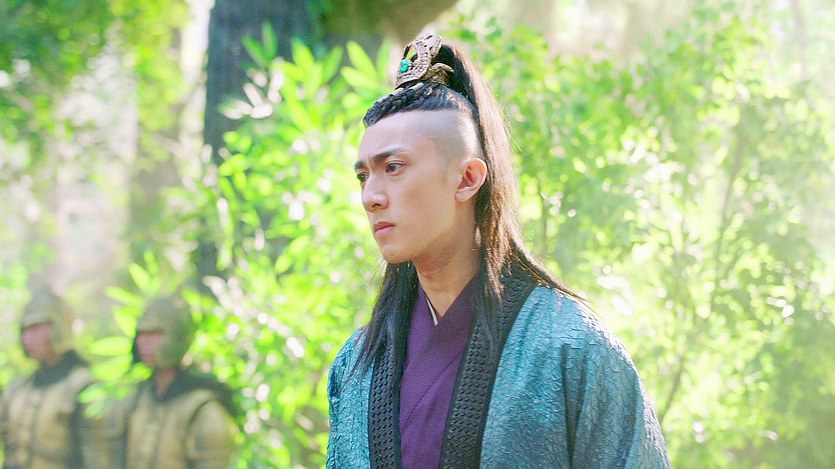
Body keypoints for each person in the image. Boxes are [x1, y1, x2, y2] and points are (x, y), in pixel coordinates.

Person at [326, 33, 671, 468]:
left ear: (468, 178)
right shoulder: (355, 366)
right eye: (364, 176)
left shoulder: (571, 347)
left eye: (393, 168)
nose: (370, 197)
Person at [118, 295, 238, 469]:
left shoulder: (203, 410)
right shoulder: (138, 398)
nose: (145, 342)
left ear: (178, 336)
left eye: (155, 334)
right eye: (142, 333)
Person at [0, 288, 113, 469]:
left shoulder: (85, 388)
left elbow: (98, 459)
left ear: (60, 327)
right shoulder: (17, 389)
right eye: (25, 330)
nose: (27, 338)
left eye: (36, 328)